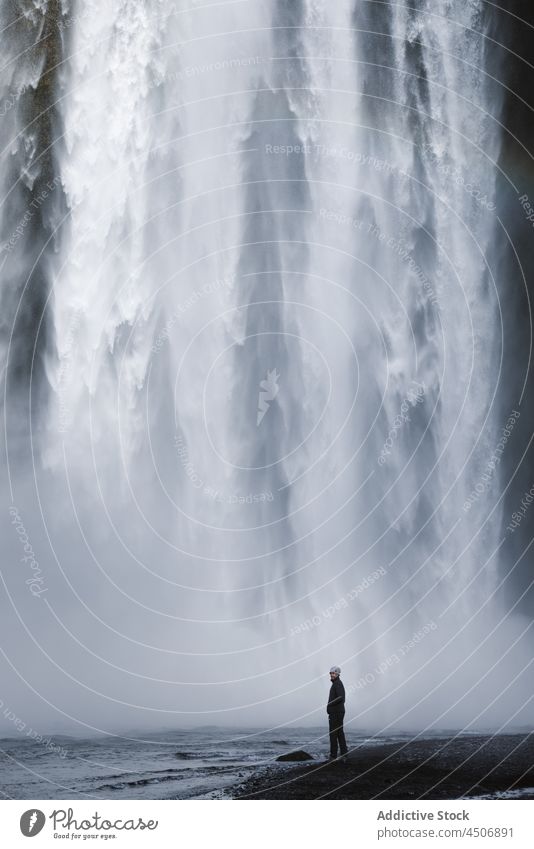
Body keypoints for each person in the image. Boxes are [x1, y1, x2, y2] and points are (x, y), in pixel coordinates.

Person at [327, 665, 348, 761]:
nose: (331, 675)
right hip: (337, 712)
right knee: (339, 733)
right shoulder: (336, 683)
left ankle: (333, 756)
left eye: (333, 673)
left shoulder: (338, 684)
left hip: (336, 712)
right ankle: (344, 755)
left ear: (337, 674)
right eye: (331, 673)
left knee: (333, 734)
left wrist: (330, 704)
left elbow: (341, 697)